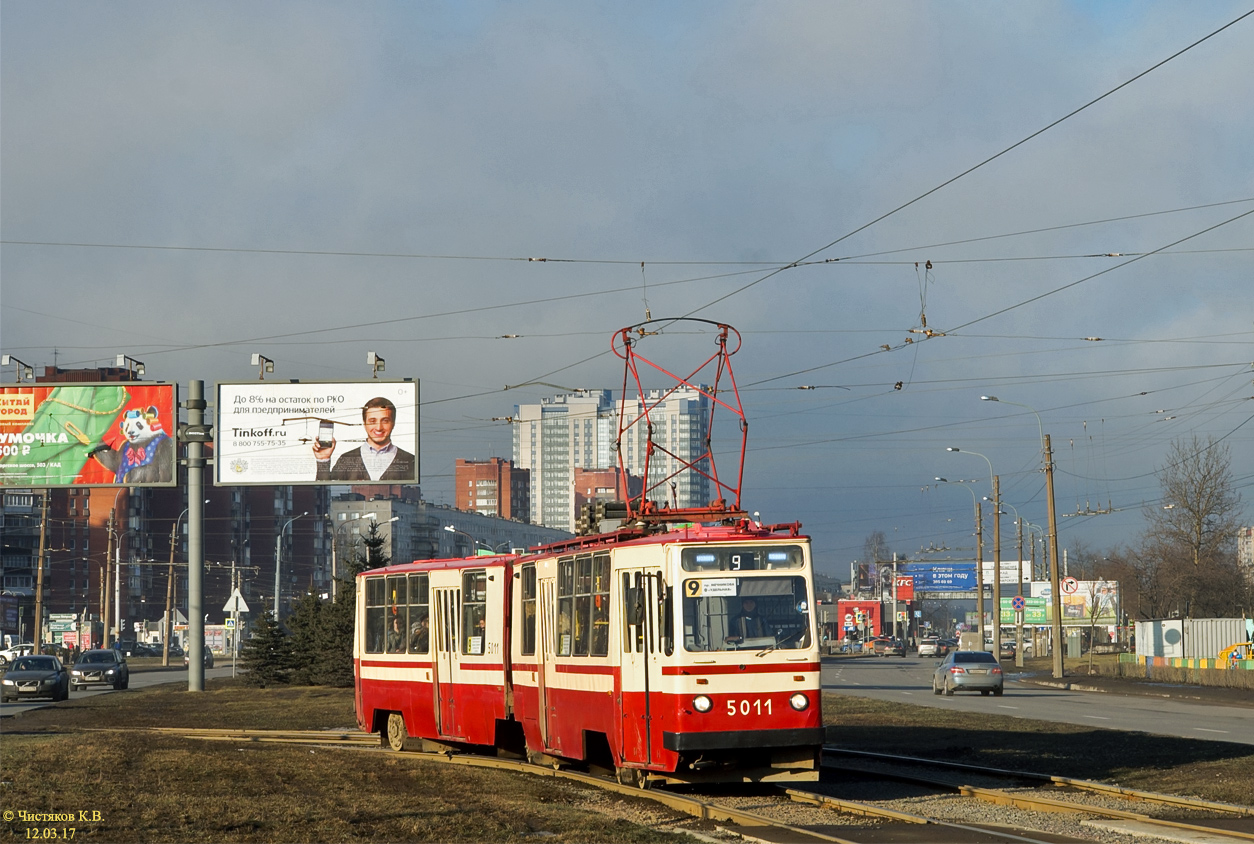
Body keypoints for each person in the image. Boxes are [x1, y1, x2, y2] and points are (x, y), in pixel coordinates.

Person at [314, 396, 416, 482]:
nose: (379, 427)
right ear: (364, 423)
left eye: (385, 420)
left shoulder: (410, 460)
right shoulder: (346, 459)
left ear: (393, 423)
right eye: (372, 421)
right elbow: (325, 491)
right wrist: (323, 460)